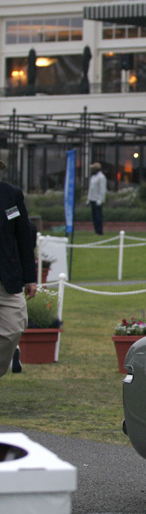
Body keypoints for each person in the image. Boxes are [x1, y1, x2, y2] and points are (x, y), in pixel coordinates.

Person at [0, 158, 37, 377]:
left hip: (8, 277)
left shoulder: (11, 195)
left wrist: (29, 278)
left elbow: (24, 236)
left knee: (14, 327)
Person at [87, 161, 107, 235]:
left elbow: (102, 189)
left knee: (98, 216)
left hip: (97, 200)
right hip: (92, 199)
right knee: (94, 216)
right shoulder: (93, 177)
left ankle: (99, 231)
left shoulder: (101, 177)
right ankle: (96, 230)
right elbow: (90, 189)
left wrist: (100, 200)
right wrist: (88, 199)